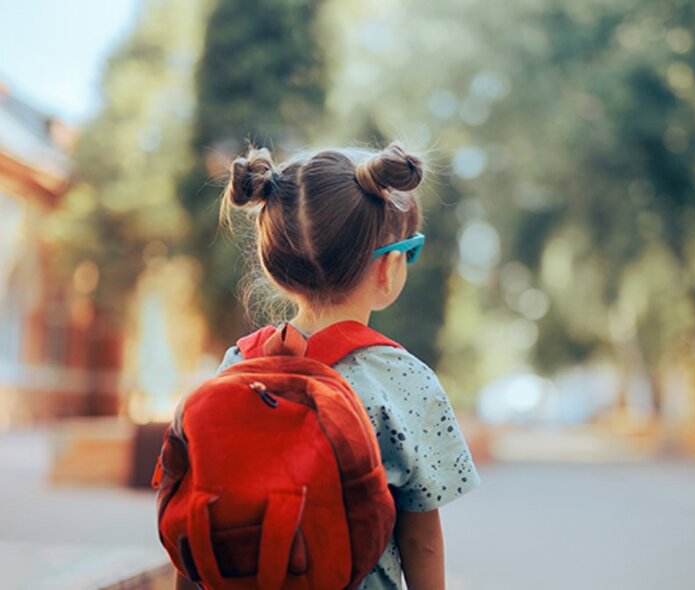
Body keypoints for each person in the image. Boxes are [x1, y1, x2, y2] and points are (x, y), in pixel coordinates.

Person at [175, 143, 480, 590]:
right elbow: (422, 540)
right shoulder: (404, 381)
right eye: (408, 252)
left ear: (273, 265)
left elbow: (197, 508)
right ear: (389, 267)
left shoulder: (237, 364)